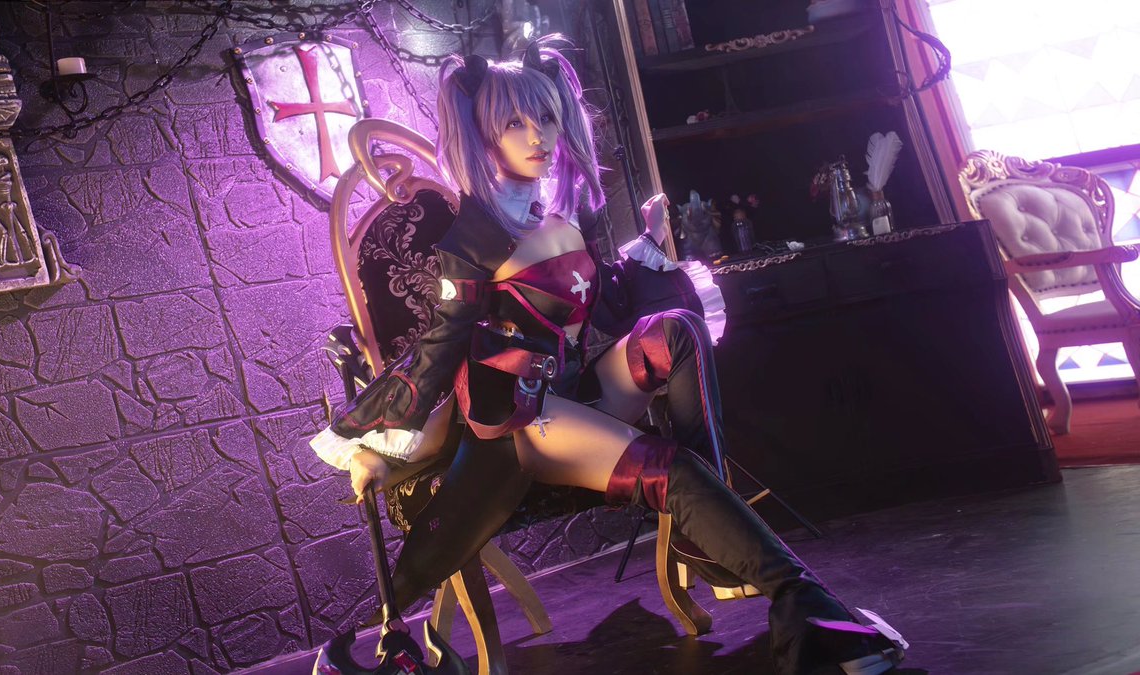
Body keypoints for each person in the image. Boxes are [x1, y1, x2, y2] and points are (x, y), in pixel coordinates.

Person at [310, 36, 905, 675]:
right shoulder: (472, 243)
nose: (538, 136)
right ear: (482, 137)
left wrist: (648, 245)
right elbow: (438, 349)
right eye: (514, 124)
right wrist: (365, 440)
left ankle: (706, 537)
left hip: (571, 388)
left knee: (676, 329)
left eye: (547, 118)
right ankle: (808, 609)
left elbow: (607, 309)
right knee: (669, 467)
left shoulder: (559, 220)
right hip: (520, 418)